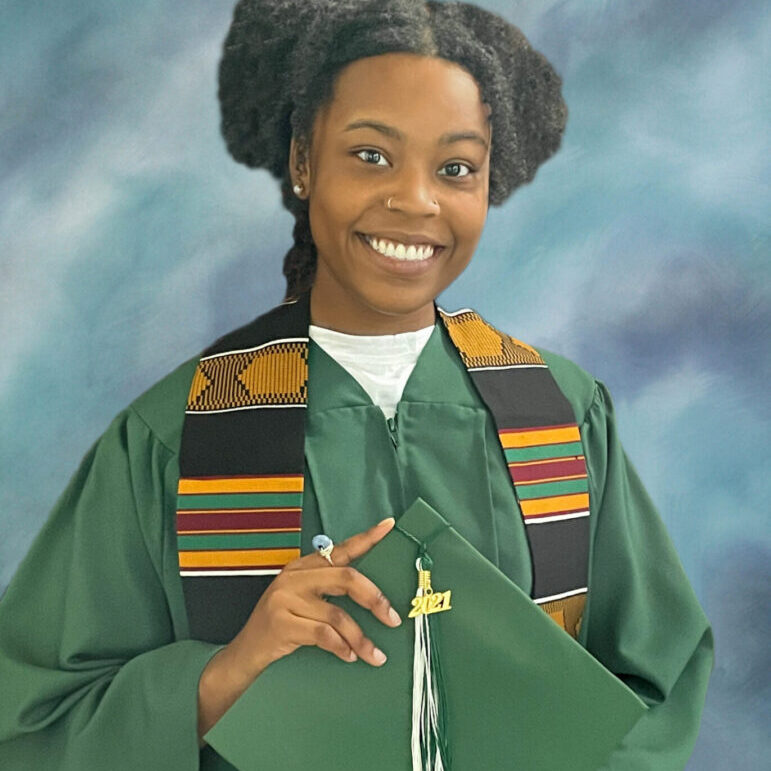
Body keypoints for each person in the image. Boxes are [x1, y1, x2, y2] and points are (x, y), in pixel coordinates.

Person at [0, 1, 714, 769]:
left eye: (455, 167)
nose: (415, 200)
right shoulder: (180, 434)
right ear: (304, 161)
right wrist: (227, 670)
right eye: (371, 154)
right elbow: (36, 722)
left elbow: (656, 684)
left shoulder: (560, 414)